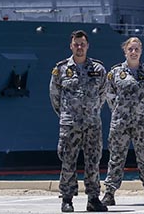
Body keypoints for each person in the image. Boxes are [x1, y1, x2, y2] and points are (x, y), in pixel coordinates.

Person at [49, 30, 109, 213]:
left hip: (92, 124)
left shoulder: (98, 69)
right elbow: (55, 96)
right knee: (68, 160)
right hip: (70, 124)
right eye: (76, 44)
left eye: (82, 44)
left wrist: (91, 111)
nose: (80, 47)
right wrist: (67, 115)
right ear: (71, 46)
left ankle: (93, 199)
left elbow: (103, 94)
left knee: (93, 161)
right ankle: (67, 199)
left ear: (87, 46)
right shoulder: (60, 69)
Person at [101, 37, 144, 206]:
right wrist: (122, 112)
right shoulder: (114, 73)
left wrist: (141, 112)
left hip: (142, 124)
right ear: (125, 51)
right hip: (120, 123)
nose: (133, 52)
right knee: (116, 157)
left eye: (136, 49)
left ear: (141, 51)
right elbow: (110, 97)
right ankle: (109, 193)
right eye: (130, 49)